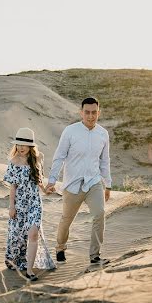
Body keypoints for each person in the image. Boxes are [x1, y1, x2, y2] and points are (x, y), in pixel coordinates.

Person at [44, 97, 112, 265]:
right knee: (66, 219)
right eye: (87, 112)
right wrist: (52, 180)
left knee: (100, 214)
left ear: (99, 112)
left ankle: (95, 255)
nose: (90, 116)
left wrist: (108, 184)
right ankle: (60, 247)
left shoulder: (103, 134)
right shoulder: (70, 131)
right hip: (72, 184)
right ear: (81, 112)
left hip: (93, 183)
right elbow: (59, 157)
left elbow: (105, 161)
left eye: (94, 112)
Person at [4, 127, 56, 281]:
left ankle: (29, 271)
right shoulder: (13, 162)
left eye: (24, 145)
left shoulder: (38, 158)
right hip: (19, 204)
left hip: (34, 203)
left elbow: (38, 180)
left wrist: (46, 191)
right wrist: (11, 206)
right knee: (18, 237)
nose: (20, 148)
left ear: (31, 146)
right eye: (18, 144)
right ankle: (16, 260)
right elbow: (12, 187)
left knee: (33, 233)